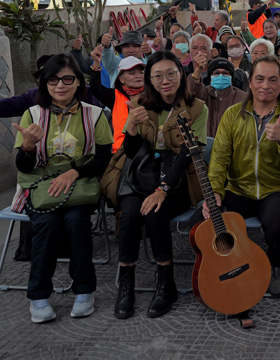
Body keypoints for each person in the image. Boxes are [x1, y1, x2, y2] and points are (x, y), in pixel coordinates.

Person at [12, 54, 113, 323]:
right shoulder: (32, 114)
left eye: (68, 79)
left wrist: (74, 172)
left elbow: (104, 158)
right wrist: (28, 147)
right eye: (53, 79)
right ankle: (38, 296)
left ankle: (84, 291)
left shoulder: (94, 114)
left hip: (79, 186)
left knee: (77, 221)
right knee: (46, 225)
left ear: (79, 82)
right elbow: (23, 166)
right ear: (45, 84)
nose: (61, 85)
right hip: (41, 188)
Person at [108, 51, 208, 320]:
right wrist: (130, 127)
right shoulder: (139, 104)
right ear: (150, 80)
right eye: (158, 76)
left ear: (181, 74)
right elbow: (131, 152)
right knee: (128, 215)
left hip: (178, 177)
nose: (165, 81)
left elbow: (189, 153)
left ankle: (167, 283)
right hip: (140, 176)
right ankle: (126, 283)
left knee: (154, 211)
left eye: (171, 73)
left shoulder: (198, 108)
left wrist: (162, 190)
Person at [205, 56, 280, 305]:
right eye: (260, 79)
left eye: (273, 79)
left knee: (275, 225)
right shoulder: (232, 115)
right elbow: (218, 159)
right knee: (206, 219)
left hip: (276, 188)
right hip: (238, 188)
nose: (266, 85)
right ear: (250, 82)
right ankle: (221, 268)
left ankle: (277, 265)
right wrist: (215, 192)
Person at [88, 53, 145, 153]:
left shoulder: (153, 95)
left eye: (141, 72)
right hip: (121, 151)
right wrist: (96, 64)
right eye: (132, 73)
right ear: (121, 79)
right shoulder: (114, 96)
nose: (138, 76)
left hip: (148, 150)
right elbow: (95, 88)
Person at [188, 57, 248, 136]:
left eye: (225, 73)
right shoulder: (203, 93)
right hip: (204, 145)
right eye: (216, 73)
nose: (221, 76)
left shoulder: (242, 98)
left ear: (231, 77)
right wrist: (197, 72)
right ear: (210, 77)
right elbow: (192, 92)